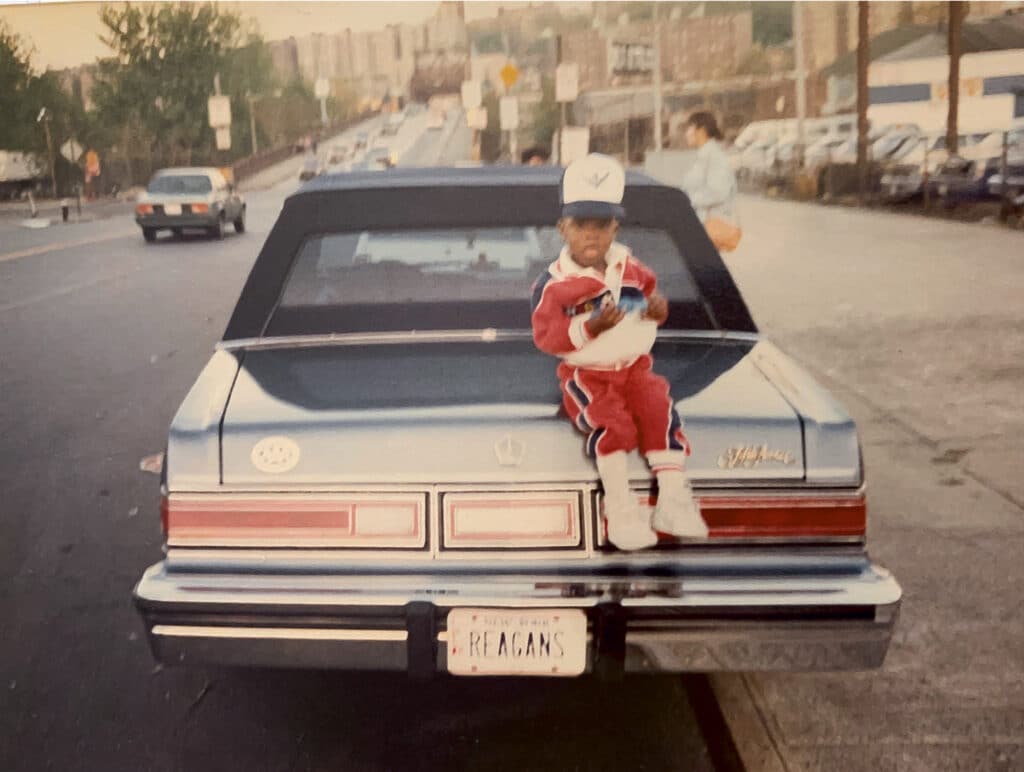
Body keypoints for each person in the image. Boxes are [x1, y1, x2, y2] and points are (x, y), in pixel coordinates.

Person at [530, 153, 708, 550]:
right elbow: (547, 335)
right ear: (562, 229)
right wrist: (590, 327)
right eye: (580, 225)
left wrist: (659, 310)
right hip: (588, 374)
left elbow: (649, 301)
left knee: (660, 412)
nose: (591, 235)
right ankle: (621, 512)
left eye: (602, 225)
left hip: (635, 368)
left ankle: (673, 500)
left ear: (615, 227)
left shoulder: (631, 267)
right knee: (615, 426)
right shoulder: (554, 283)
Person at [680, 112, 741, 251]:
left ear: (700, 130)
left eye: (689, 128)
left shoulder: (715, 157)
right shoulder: (704, 156)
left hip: (710, 227)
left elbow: (718, 193)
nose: (686, 134)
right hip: (701, 227)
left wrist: (686, 200)